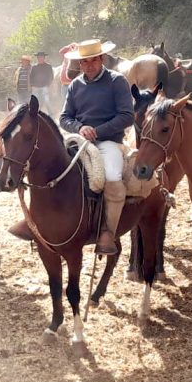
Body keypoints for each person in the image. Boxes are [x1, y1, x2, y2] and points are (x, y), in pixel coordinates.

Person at [60, 39, 133, 255]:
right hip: (79, 140)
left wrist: (98, 131)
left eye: (93, 60)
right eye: (84, 62)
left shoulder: (117, 81)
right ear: (79, 64)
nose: (89, 65)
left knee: (112, 177)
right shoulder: (75, 85)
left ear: (102, 59)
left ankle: (107, 232)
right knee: (52, 165)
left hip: (108, 141)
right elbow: (64, 117)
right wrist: (80, 127)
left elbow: (127, 116)